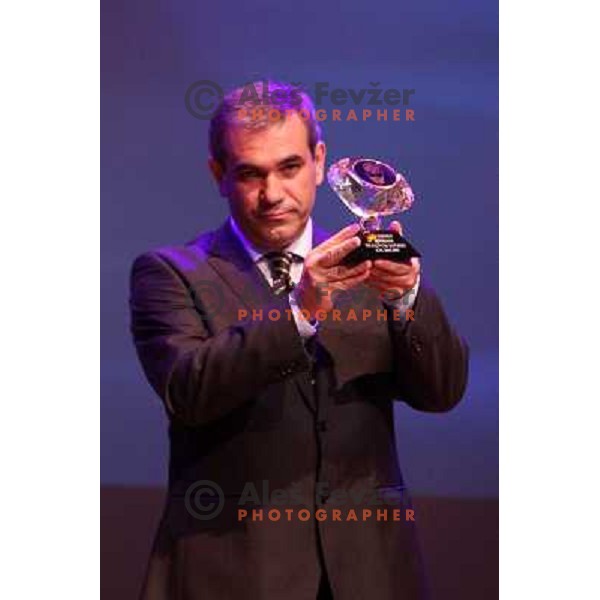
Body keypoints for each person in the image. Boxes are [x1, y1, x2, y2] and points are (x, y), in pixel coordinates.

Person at [129, 80, 469, 600]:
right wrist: (300, 311)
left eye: (289, 167)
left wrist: (407, 299)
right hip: (234, 574)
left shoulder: (362, 262)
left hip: (372, 572)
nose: (272, 194)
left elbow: (442, 391)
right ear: (219, 175)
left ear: (319, 160)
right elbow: (188, 391)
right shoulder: (170, 273)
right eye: (249, 173)